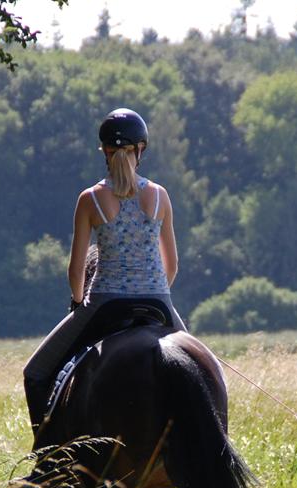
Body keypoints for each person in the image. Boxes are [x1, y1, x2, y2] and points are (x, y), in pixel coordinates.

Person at [21, 107, 187, 440]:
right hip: (157, 300)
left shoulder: (91, 199)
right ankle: (211, 449)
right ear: (140, 150)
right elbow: (173, 265)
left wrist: (79, 301)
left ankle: (47, 460)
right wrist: (155, 292)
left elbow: (75, 269)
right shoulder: (160, 196)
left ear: (105, 153)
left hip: (105, 302)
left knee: (36, 373)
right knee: (200, 369)